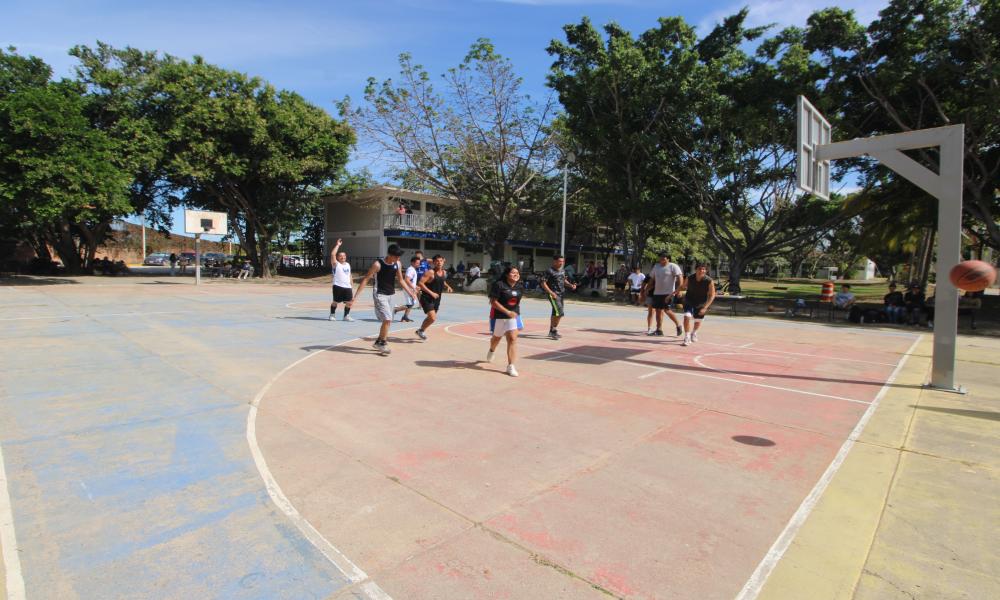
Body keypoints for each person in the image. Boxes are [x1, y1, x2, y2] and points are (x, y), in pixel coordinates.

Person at [354, 244, 419, 355]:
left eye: (399, 257)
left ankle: (379, 341)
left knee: (388, 320)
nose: (398, 259)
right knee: (388, 319)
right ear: (390, 255)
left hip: (391, 294)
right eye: (396, 257)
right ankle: (383, 343)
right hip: (379, 294)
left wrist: (410, 292)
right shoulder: (378, 264)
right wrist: (355, 297)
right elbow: (366, 279)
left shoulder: (397, 263)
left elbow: (401, 280)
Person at [486, 265, 525, 377]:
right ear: (507, 274)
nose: (516, 274)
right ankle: (492, 349)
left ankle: (510, 366)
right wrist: (507, 312)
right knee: (496, 338)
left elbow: (516, 303)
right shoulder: (499, 285)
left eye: (517, 273)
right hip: (499, 315)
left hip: (513, 316)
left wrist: (517, 317)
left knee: (512, 338)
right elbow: (493, 302)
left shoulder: (520, 287)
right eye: (513, 273)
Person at [640, 252, 685, 336]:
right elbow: (652, 279)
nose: (662, 259)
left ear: (668, 259)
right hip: (657, 293)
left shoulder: (673, 266)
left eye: (664, 258)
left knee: (667, 310)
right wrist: (647, 289)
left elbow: (680, 278)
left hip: (668, 293)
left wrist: (679, 290)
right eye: (660, 257)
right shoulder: (656, 267)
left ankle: (678, 325)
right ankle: (659, 330)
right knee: (658, 311)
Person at [415, 255, 454, 340]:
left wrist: (448, 286)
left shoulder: (444, 272)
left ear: (443, 261)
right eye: (437, 261)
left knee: (431, 319)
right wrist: (431, 293)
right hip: (426, 297)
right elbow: (420, 283)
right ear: (433, 262)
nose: (439, 262)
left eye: (440, 261)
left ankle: (420, 330)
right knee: (432, 318)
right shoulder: (430, 272)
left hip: (437, 299)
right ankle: (421, 330)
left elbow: (442, 281)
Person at [540, 255, 578, 340]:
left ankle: (551, 330)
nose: (561, 263)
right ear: (554, 261)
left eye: (562, 261)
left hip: (561, 294)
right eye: (559, 261)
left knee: (555, 312)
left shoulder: (562, 271)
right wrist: (551, 292)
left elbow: (563, 280)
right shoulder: (549, 271)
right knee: (560, 312)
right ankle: (553, 331)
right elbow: (543, 283)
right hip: (553, 294)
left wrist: (571, 285)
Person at [680, 264, 716, 346]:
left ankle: (694, 332)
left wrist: (705, 307)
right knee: (687, 316)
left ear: (706, 271)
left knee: (697, 320)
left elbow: (712, 295)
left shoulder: (709, 281)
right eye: (700, 269)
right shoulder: (690, 278)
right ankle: (687, 337)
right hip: (689, 300)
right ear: (696, 270)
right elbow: (683, 287)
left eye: (704, 269)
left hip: (701, 302)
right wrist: (675, 293)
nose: (702, 271)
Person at [328, 239, 354, 321]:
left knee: (349, 302)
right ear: (338, 257)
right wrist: (338, 245)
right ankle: (332, 315)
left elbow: (349, 275)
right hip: (338, 286)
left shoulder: (348, 264)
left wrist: (351, 285)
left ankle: (346, 316)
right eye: (341, 256)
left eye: (344, 256)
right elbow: (332, 254)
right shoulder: (336, 264)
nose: (343, 257)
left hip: (347, 287)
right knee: (335, 302)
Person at [396, 256, 421, 322]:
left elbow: (411, 281)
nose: (419, 264)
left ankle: (405, 317)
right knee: (410, 304)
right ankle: (395, 310)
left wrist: (416, 286)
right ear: (412, 263)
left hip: (410, 288)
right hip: (408, 289)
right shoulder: (411, 269)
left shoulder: (413, 269)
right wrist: (414, 287)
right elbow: (407, 280)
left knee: (412, 303)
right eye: (417, 263)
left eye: (419, 263)